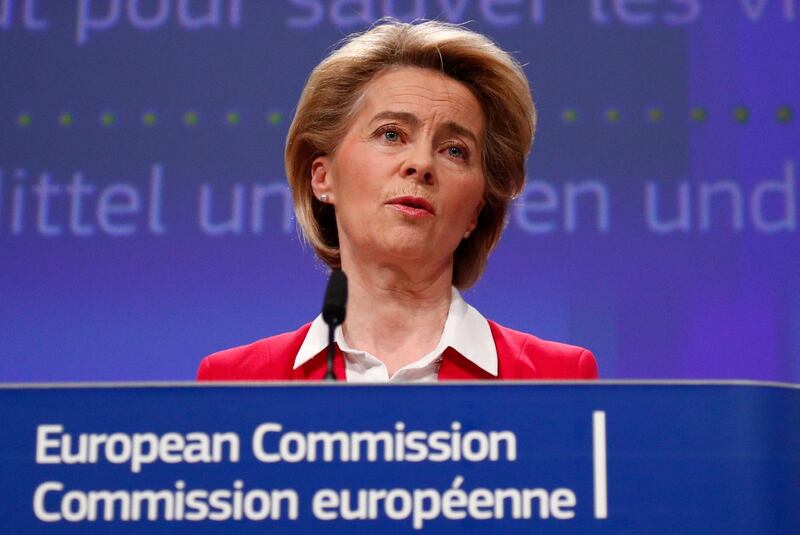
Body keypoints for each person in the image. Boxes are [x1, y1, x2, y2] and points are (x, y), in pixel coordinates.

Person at [197, 20, 597, 382]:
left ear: (476, 210)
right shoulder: (237, 383)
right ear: (323, 177)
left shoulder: (555, 379)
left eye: (455, 150)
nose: (421, 164)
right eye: (391, 134)